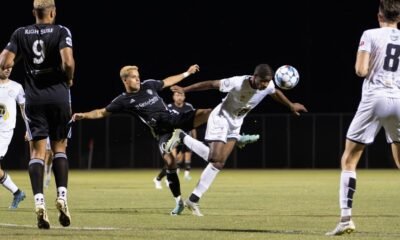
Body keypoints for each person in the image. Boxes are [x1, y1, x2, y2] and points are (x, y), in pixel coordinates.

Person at [164, 63, 308, 216]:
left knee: (219, 164)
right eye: (262, 81)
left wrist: (291, 106)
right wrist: (185, 90)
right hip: (221, 118)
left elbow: (275, 92)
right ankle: (182, 136)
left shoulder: (268, 85)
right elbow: (212, 84)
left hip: (236, 123)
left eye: (267, 82)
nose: (265, 85)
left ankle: (193, 200)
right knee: (214, 157)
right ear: (255, 77)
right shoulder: (238, 82)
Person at [72, 64, 211, 215]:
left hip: (174, 120)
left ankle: (234, 135)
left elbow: (167, 81)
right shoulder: (123, 100)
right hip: (162, 133)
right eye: (134, 77)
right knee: (170, 163)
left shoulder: (149, 85)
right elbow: (101, 112)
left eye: (138, 77)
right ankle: (179, 202)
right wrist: (84, 115)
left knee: (208, 113)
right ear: (125, 80)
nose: (138, 80)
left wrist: (187, 73)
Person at [326, 0, 400, 236]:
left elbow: (360, 70)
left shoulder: (370, 34)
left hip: (375, 98)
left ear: (379, 15)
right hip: (398, 99)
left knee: (349, 160)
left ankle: (346, 219)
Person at [0, 0, 75, 229]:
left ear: (34, 12)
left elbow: (4, 61)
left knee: (37, 152)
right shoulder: (62, 30)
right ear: (53, 12)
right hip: (60, 97)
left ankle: (39, 201)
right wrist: (69, 78)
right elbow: (68, 61)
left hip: (34, 99)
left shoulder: (21, 33)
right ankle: (62, 196)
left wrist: (22, 56)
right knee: (60, 148)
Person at [153, 91, 197, 189]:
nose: (179, 97)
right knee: (171, 161)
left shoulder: (189, 107)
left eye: (181, 95)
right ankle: (160, 179)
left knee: (177, 162)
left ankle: (162, 178)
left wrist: (194, 137)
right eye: (177, 95)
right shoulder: (169, 107)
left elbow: (194, 122)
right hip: (173, 136)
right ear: (173, 97)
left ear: (184, 96)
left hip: (185, 137)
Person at [0, 67, 26, 209]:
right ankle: (17, 192)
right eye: (4, 67)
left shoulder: (16, 87)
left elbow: (24, 110)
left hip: (4, 132)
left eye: (10, 67)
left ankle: (17, 193)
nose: (8, 69)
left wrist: (29, 129)